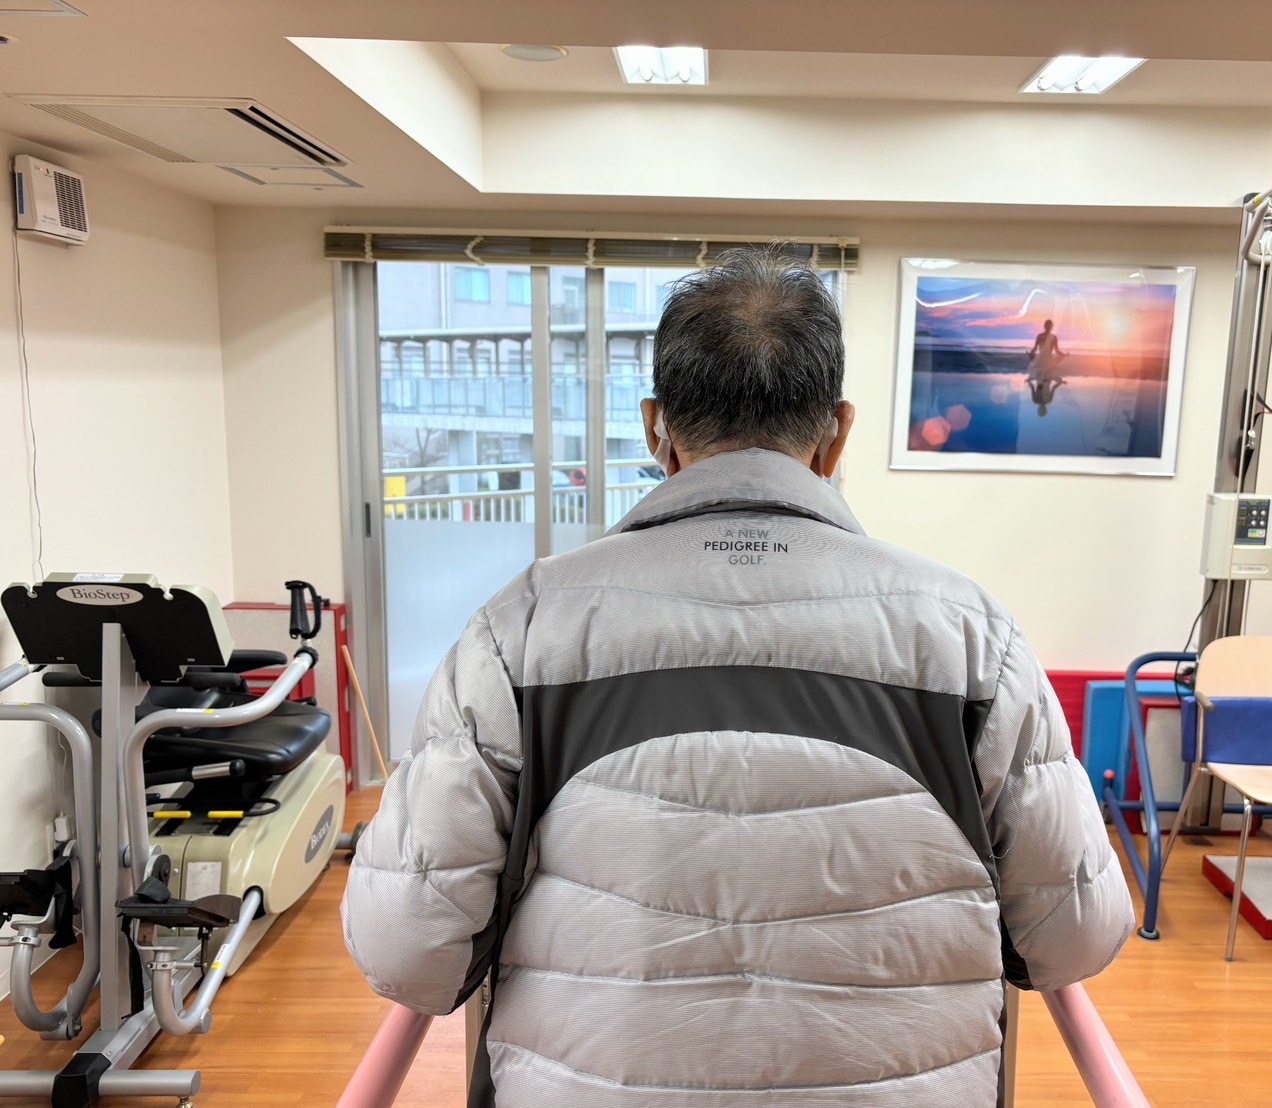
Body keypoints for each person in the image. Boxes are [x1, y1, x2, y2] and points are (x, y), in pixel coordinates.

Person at [342, 247, 1134, 1105]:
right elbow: (1070, 936)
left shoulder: (522, 627)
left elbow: (409, 949)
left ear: (655, 429)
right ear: (836, 432)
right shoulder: (970, 634)